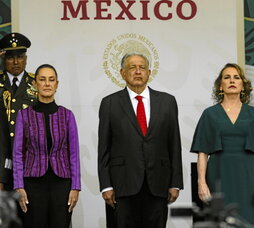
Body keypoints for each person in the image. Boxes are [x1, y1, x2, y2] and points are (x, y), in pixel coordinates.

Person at [98, 53, 183, 228]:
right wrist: (106, 186)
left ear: (149, 72)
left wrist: (175, 182)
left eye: (142, 67)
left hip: (158, 184)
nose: (138, 72)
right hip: (122, 185)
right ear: (122, 73)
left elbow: (174, 145)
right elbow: (104, 148)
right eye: (132, 67)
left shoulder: (167, 102)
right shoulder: (110, 103)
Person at [12, 64, 81, 228]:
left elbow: (74, 154)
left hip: (62, 184)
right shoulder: (24, 115)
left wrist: (75, 187)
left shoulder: (67, 115)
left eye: (51, 80)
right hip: (32, 185)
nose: (47, 84)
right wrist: (19, 186)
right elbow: (17, 154)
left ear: (57, 84)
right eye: (42, 79)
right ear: (35, 84)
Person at [191, 63, 254, 224]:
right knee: (220, 221)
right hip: (219, 174)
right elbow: (202, 152)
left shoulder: (253, 113)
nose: (232, 80)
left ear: (243, 85)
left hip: (249, 175)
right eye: (227, 77)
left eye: (236, 77)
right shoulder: (209, 114)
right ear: (221, 85)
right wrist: (201, 182)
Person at [0, 32, 37, 190]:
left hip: (30, 164)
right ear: (3, 59)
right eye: (10, 57)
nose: (16, 62)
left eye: (20, 56)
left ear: (26, 59)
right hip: (2, 164)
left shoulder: (36, 84)